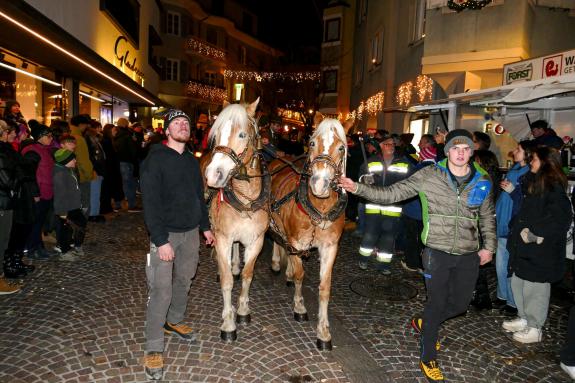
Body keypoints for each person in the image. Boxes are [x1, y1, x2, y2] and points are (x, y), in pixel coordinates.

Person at [339, 129, 496, 382]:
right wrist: (358, 188)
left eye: (465, 148)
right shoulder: (430, 174)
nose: (460, 153)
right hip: (436, 250)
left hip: (468, 251)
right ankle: (428, 355)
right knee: (436, 303)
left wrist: (489, 246)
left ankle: (424, 322)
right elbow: (392, 194)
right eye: (455, 148)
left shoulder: (482, 178)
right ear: (447, 152)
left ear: (472, 151)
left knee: (459, 304)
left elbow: (487, 215)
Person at [140, 109, 215, 380]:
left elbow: (198, 196)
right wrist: (160, 240)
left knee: (185, 279)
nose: (182, 126)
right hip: (166, 235)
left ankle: (174, 320)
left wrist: (205, 227)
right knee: (161, 288)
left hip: (191, 232)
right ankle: (153, 347)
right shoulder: (154, 160)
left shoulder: (191, 161)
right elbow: (149, 203)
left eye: (186, 122)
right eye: (176, 123)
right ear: (167, 130)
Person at [503, 146, 572, 343]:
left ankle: (535, 327)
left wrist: (535, 234)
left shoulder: (553, 188)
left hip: (540, 251)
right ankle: (524, 317)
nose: (530, 162)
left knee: (535, 289)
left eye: (534, 159)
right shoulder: (534, 184)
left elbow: (561, 220)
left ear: (545, 163)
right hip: (524, 248)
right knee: (520, 283)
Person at [356, 134, 413, 275]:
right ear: (381, 146)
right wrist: (365, 179)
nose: (391, 147)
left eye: (393, 144)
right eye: (388, 144)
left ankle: (384, 265)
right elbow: (360, 178)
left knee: (389, 237)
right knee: (370, 234)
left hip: (393, 206)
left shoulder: (403, 163)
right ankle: (363, 259)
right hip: (373, 204)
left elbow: (410, 182)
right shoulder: (370, 162)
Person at [494, 140, 534, 316]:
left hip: (513, 224)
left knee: (509, 264)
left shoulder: (529, 173)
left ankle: (512, 301)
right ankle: (502, 296)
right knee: (500, 263)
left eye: (518, 149)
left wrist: (512, 190)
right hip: (503, 221)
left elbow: (525, 202)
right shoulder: (515, 169)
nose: (514, 151)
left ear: (527, 154)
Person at [468, 149, 501, 311]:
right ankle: (479, 296)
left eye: (477, 161)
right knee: (476, 264)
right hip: (479, 224)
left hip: (481, 225)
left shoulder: (486, 180)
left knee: (477, 263)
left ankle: (481, 298)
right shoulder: (487, 178)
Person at [20, 121, 57, 260]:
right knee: (35, 223)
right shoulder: (32, 151)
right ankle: (32, 249)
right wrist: (35, 193)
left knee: (40, 222)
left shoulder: (45, 149)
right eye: (48, 136)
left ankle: (38, 247)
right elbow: (29, 174)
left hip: (46, 192)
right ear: (40, 136)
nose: (51, 138)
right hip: (38, 193)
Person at [400, 145, 437, 272]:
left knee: (411, 238)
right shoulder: (439, 170)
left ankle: (412, 263)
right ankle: (424, 263)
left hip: (412, 211)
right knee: (426, 239)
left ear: (423, 156)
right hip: (429, 213)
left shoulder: (416, 170)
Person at [0, 120, 23, 293]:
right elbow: (7, 180)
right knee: (2, 241)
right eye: (8, 130)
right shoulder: (2, 151)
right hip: (2, 202)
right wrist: (20, 176)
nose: (11, 134)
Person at [52, 149, 87, 261]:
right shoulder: (60, 174)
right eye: (73, 159)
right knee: (65, 230)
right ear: (65, 161)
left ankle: (76, 245)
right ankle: (64, 251)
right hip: (65, 208)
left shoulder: (68, 170)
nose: (75, 161)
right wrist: (62, 212)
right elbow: (60, 195)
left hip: (74, 205)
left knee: (81, 223)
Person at [69, 114, 95, 219]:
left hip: (71, 175)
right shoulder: (79, 138)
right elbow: (84, 160)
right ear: (80, 125)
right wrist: (89, 174)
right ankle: (81, 224)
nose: (86, 128)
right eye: (85, 125)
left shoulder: (68, 135)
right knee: (84, 201)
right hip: (81, 176)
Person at [114, 117, 140, 212]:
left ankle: (118, 204)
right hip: (128, 162)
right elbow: (133, 150)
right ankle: (131, 205)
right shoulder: (127, 135)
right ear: (125, 125)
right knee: (129, 184)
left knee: (121, 183)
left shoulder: (115, 135)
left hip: (119, 161)